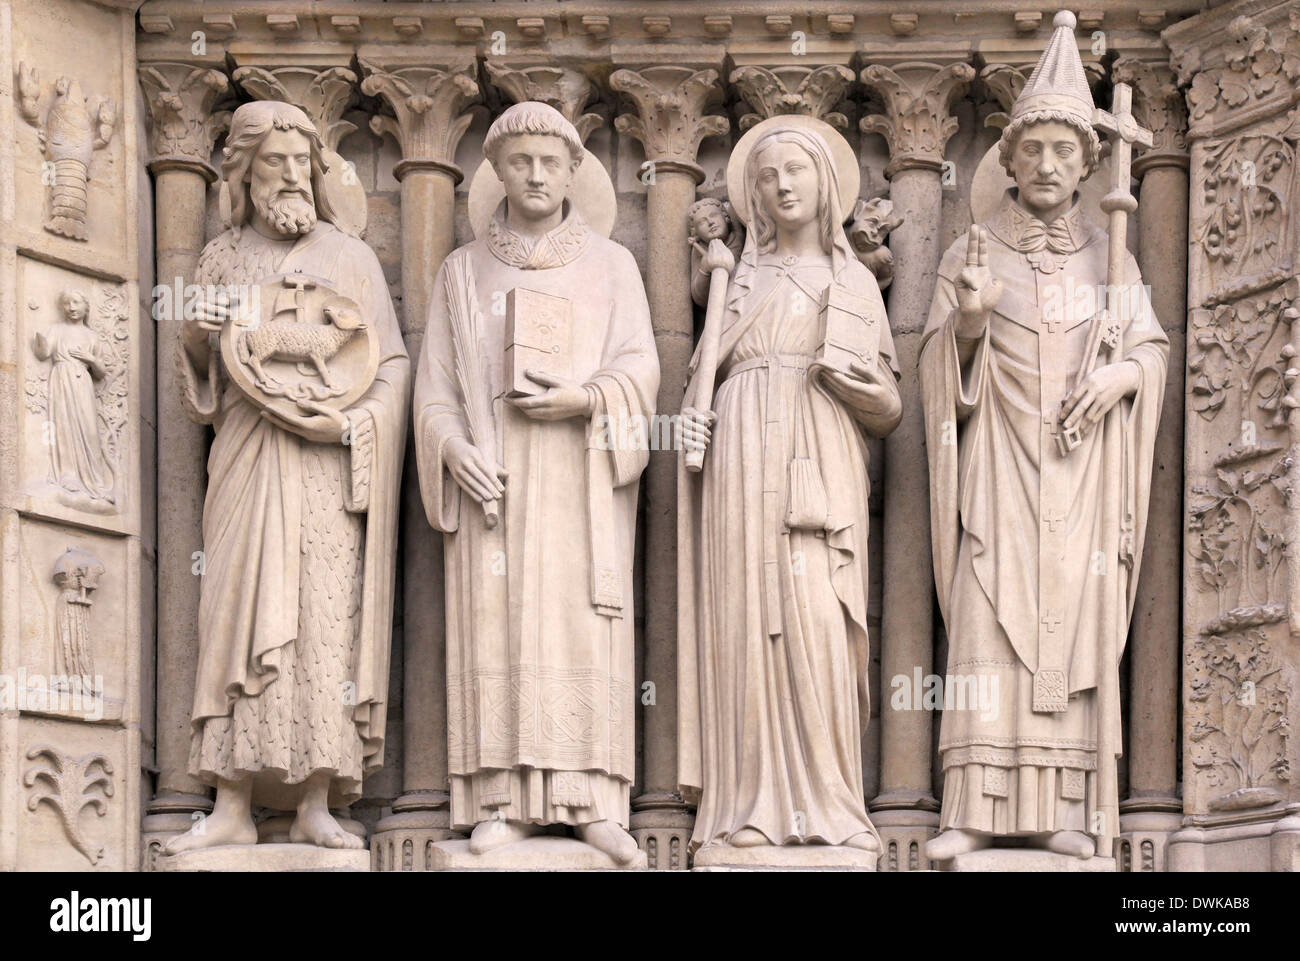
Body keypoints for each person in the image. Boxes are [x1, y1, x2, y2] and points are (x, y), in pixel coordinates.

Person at [920, 12, 1168, 861]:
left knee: (1071, 623)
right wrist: (968, 323)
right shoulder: (969, 249)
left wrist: (1120, 378)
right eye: (1035, 151)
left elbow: (1149, 349)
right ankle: (974, 805)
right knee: (992, 617)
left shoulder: (1115, 259)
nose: (1051, 164)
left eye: (1067, 151)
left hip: (1080, 468)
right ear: (1010, 161)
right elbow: (934, 371)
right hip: (999, 466)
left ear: (1088, 162)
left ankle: (1066, 804)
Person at [414, 102, 658, 865]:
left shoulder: (613, 265)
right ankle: (499, 797)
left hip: (580, 474)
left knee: (581, 620)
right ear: (497, 172)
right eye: (520, 161)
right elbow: (433, 390)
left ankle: (595, 797)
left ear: (575, 171)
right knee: (499, 620)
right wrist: (452, 448)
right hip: (497, 480)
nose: (537, 174)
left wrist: (585, 398)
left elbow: (641, 367)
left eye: (551, 161)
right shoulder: (461, 270)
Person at [166, 101, 408, 853]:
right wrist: (200, 336)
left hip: (323, 467)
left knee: (320, 621)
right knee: (235, 610)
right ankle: (230, 801)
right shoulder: (221, 256)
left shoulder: (350, 259)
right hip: (245, 453)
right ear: (244, 171)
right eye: (274, 161)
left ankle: (315, 800)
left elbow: (387, 366)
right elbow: (201, 383)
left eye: (302, 162)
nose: (291, 175)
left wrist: (349, 424)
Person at [678, 119, 901, 857]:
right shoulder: (735, 280)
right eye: (768, 175)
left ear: (826, 184)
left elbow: (890, 407)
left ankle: (831, 803)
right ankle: (749, 803)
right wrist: (694, 417)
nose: (782, 185)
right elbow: (704, 376)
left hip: (822, 448)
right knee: (744, 619)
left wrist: (856, 386)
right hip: (743, 453)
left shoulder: (855, 281)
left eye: (797, 171)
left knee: (816, 618)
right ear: (754, 195)